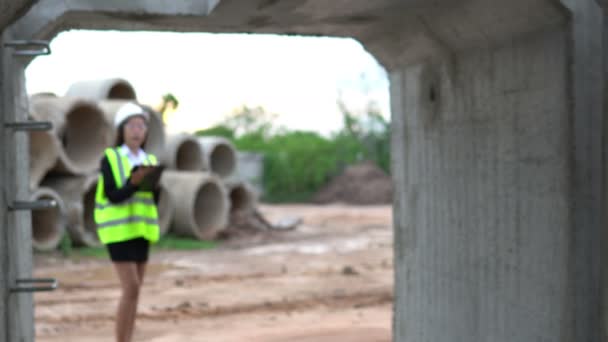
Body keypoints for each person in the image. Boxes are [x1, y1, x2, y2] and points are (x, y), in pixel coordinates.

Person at [94, 102, 161, 342]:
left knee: (135, 291)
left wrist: (153, 183)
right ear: (121, 129)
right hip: (118, 232)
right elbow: (113, 195)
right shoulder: (111, 158)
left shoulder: (149, 159)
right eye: (132, 125)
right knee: (130, 288)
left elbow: (153, 198)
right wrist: (134, 182)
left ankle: (128, 337)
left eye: (142, 126)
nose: (137, 131)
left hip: (141, 231)